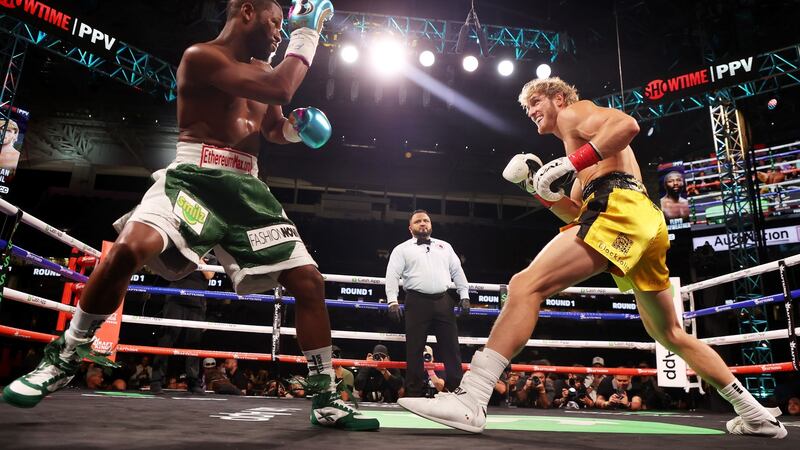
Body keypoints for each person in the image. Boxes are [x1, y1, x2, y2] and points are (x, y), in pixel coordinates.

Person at [2, 0, 378, 431]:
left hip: (246, 188)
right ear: (247, 13)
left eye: (285, 26)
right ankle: (67, 354)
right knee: (130, 249)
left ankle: (327, 396)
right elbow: (280, 88)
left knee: (309, 282)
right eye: (276, 23)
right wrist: (307, 33)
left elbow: (271, 122)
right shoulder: (202, 57)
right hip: (193, 178)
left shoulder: (261, 68)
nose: (280, 32)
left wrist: (294, 129)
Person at [398, 76, 786, 438]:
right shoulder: (582, 150)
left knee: (524, 285)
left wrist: (571, 163)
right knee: (668, 333)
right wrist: (535, 188)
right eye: (526, 107)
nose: (531, 110)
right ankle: (754, 413)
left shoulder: (574, 112)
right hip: (638, 219)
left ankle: (472, 398)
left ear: (559, 97)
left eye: (536, 101)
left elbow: (628, 126)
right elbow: (578, 216)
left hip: (621, 209)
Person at [385, 209, 470, 397]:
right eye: (418, 222)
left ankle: (454, 388)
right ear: (410, 228)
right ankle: (414, 392)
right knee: (415, 347)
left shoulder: (445, 246)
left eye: (426, 220)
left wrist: (464, 295)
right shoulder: (402, 249)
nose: (422, 223)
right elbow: (392, 275)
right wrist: (392, 301)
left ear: (431, 225)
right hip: (416, 301)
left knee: (451, 347)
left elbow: (458, 272)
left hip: (443, 299)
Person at [150, 254, 217, 395]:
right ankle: (156, 381)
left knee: (193, 343)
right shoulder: (182, 253)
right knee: (166, 339)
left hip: (196, 304)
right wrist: (187, 254)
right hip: (176, 299)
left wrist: (197, 256)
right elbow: (170, 271)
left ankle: (193, 383)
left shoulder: (210, 258)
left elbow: (209, 275)